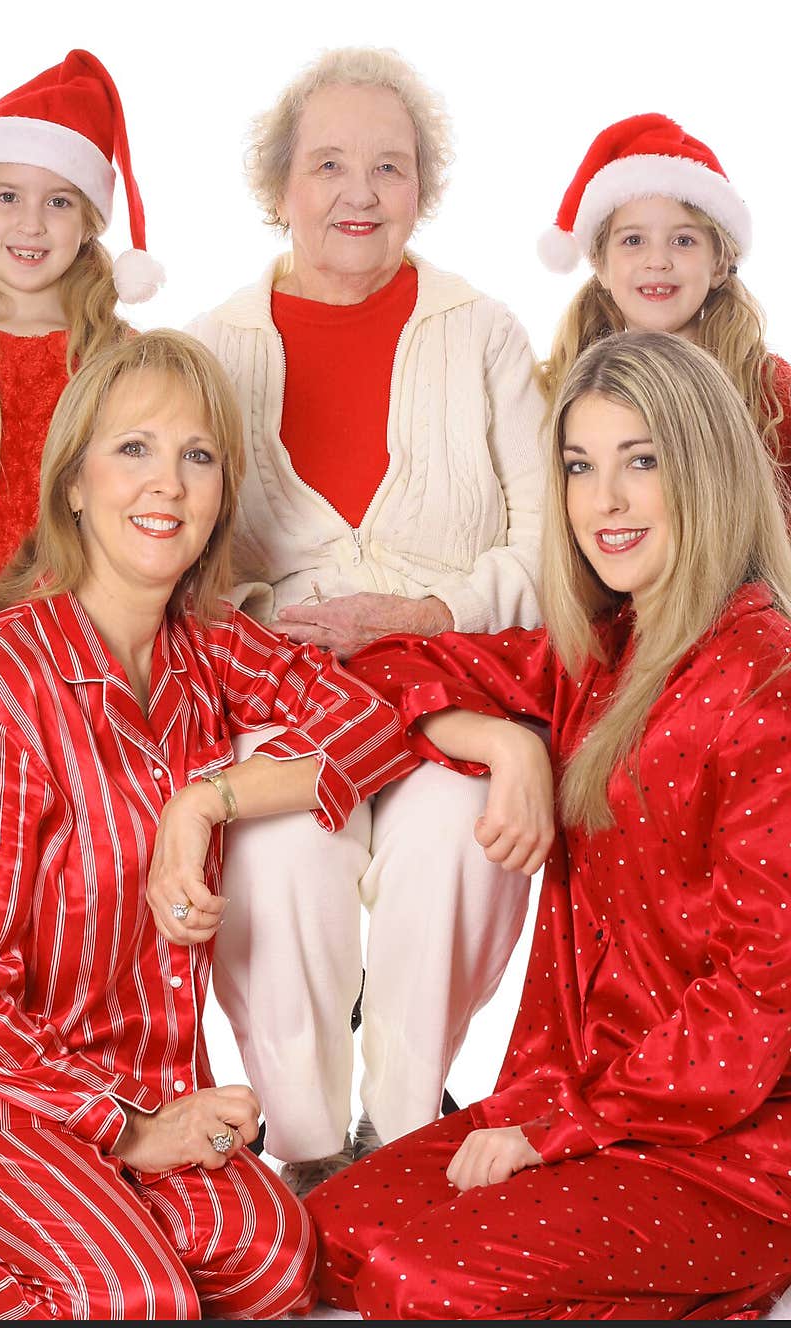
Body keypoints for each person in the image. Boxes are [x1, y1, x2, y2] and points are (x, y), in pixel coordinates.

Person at [0, 329, 419, 1321]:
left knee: (276, 1267)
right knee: (140, 1303)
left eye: (197, 456)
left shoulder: (210, 647)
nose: (169, 484)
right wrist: (135, 1132)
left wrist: (208, 798)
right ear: (72, 484)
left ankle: (21, 1271)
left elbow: (372, 729)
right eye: (133, 449)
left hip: (146, 1087)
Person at [306, 330, 791, 1321]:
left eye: (639, 461)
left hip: (728, 1148)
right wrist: (506, 741)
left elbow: (757, 1002)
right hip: (571, 1099)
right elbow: (381, 667)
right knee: (320, 1234)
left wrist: (559, 1126)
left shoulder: (764, 681)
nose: (603, 501)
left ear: (707, 469)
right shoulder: (596, 659)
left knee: (418, 1282)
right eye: (579, 466)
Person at [186, 46, 547, 1196]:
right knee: (280, 849)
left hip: (459, 689)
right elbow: (171, 552)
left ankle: (399, 1142)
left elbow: (552, 540)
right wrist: (269, 622)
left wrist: (428, 608)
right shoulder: (208, 349)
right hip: (281, 692)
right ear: (277, 185)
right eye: (327, 164)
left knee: (460, 833)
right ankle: (301, 1150)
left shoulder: (483, 332)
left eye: (387, 169)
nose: (357, 193)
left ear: (421, 190)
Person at [0, 48, 165, 699]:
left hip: (79, 651)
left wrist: (5, 630)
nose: (30, 223)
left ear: (88, 224)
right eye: (6, 195)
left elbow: (122, 531)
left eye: (57, 201)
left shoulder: (120, 362)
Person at [538, 113, 791, 488]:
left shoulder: (771, 393)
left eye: (683, 240)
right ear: (601, 266)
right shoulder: (558, 389)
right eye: (633, 241)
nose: (657, 261)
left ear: (720, 263)